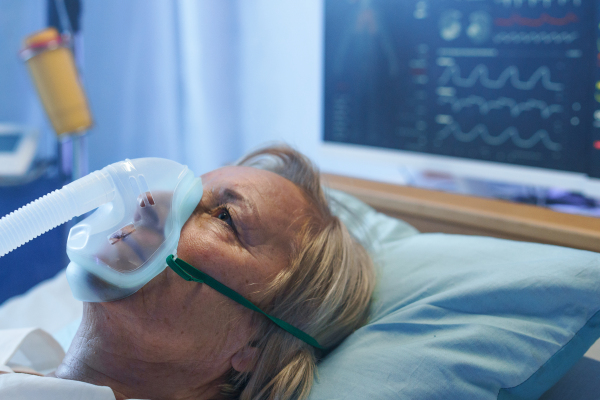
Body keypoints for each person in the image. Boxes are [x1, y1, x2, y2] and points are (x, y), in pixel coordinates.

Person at [0, 145, 375, 400]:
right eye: (185, 189)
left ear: (256, 348)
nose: (152, 202)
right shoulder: (23, 358)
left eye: (225, 217)